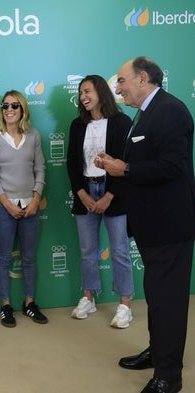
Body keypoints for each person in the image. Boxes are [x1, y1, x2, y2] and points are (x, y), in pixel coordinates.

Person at [97, 56, 194, 393]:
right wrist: (116, 165)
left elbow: (172, 166)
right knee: (156, 296)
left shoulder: (170, 110)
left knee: (168, 300)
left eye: (121, 80)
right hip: (153, 226)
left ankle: (169, 377)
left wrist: (125, 170)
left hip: (169, 226)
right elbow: (143, 160)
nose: (117, 87)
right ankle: (159, 353)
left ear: (142, 78)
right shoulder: (146, 112)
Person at [66, 75, 135, 328]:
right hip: (86, 192)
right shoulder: (77, 125)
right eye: (81, 92)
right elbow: (72, 164)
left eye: (87, 91)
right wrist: (82, 194)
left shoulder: (121, 122)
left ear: (101, 92)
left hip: (113, 194)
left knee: (119, 250)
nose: (83, 96)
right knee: (87, 251)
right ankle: (89, 297)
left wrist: (109, 195)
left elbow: (127, 164)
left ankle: (125, 304)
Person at [0, 90, 48, 328]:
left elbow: (40, 169)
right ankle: (5, 306)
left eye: (15, 105)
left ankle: (30, 303)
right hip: (5, 208)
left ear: (23, 110)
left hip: (31, 206)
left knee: (30, 258)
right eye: (5, 106)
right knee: (3, 258)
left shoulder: (34, 136)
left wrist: (35, 199)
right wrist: (7, 203)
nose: (9, 109)